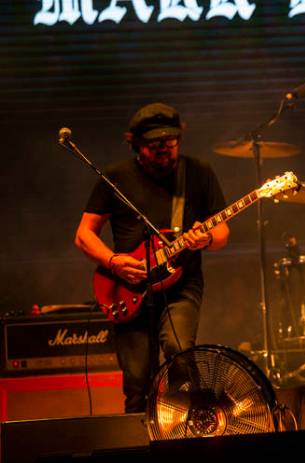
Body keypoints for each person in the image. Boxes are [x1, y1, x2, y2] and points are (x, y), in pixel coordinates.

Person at [74, 103, 229, 412]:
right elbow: (84, 234)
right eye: (155, 148)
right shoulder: (115, 177)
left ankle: (184, 422)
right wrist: (114, 261)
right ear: (136, 144)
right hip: (128, 287)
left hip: (181, 283)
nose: (165, 153)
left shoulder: (198, 172)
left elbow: (222, 230)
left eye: (170, 146)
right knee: (137, 381)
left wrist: (207, 237)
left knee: (179, 349)